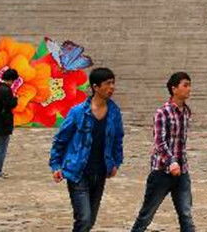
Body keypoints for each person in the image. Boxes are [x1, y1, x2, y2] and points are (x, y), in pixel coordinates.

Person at [50, 67, 124, 232]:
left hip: (100, 172)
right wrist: (56, 165)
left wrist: (116, 162)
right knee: (83, 218)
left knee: (89, 221)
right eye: (107, 83)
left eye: (113, 83)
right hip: (78, 171)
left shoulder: (114, 112)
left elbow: (118, 139)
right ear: (96, 87)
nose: (112, 87)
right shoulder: (78, 112)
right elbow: (61, 139)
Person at [131, 72, 195, 232]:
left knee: (186, 214)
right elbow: (159, 141)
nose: (189, 89)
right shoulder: (163, 112)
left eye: (189, 85)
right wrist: (171, 161)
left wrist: (179, 164)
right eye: (185, 85)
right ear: (174, 89)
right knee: (146, 215)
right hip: (162, 172)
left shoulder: (187, 112)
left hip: (182, 171)